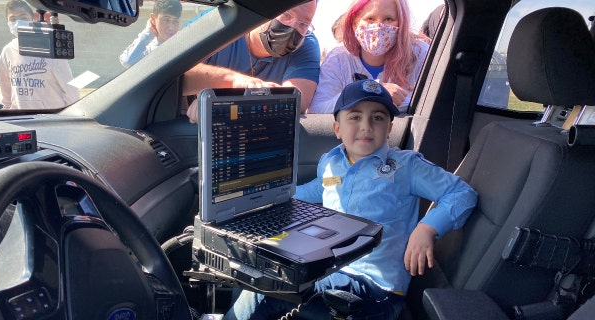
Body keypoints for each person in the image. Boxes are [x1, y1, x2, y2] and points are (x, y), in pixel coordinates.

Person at [224, 79, 477, 320]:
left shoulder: (406, 166)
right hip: (329, 269)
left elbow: (462, 194)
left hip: (375, 292)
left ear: (389, 128)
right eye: (355, 117)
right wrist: (269, 197)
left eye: (377, 118)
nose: (366, 125)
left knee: (261, 292)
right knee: (251, 269)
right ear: (337, 128)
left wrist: (427, 228)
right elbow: (320, 190)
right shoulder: (332, 162)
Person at [182, 0, 320, 122]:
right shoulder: (218, 23)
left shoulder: (306, 44)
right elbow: (173, 73)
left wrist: (222, 105)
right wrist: (234, 81)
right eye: (287, 15)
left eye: (303, 24)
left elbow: (295, 99)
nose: (293, 27)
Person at [308, 0, 429, 114]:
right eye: (370, 19)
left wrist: (358, 101)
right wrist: (370, 90)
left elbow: (430, 107)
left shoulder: (420, 53)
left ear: (401, 23)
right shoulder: (339, 57)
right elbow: (318, 108)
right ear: (355, 23)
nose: (379, 26)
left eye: (388, 19)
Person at [0, 0, 79, 110]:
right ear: (7, 22)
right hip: (22, 120)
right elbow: (6, 96)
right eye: (13, 19)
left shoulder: (49, 47)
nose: (17, 22)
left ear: (32, 19)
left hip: (51, 120)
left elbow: (70, 91)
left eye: (23, 17)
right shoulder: (7, 52)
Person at [119, 0, 183, 68]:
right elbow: (128, 61)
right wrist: (149, 32)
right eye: (165, 20)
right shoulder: (148, 49)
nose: (171, 27)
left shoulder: (184, 44)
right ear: (153, 18)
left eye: (175, 21)